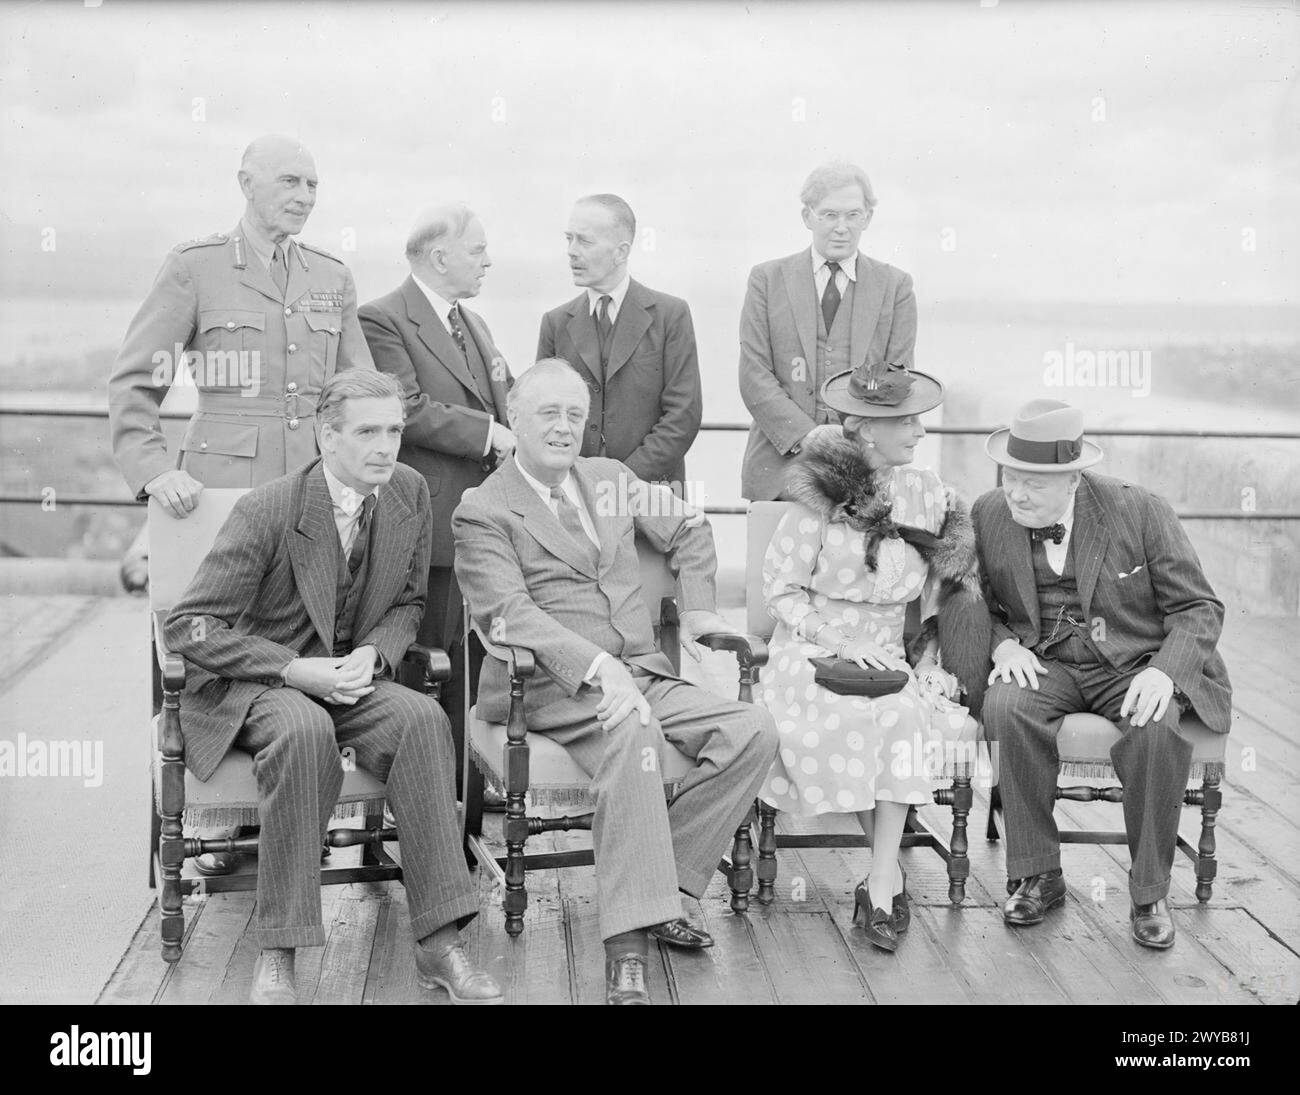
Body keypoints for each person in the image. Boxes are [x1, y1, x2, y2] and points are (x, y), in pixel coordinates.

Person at [165, 371, 501, 1005]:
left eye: (395, 430)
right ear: (326, 437)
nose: (386, 446)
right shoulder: (271, 508)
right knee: (302, 728)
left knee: (422, 720)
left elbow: (406, 600)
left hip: (347, 679)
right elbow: (189, 627)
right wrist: (294, 669)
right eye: (367, 431)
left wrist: (375, 652)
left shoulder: (408, 493)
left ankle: (439, 943)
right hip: (259, 683)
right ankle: (279, 952)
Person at [452, 358, 778, 1005]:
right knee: (636, 734)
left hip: (642, 668)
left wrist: (703, 608)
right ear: (514, 417)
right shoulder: (484, 508)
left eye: (576, 414)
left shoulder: (610, 479)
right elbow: (508, 613)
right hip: (549, 684)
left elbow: (688, 525)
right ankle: (626, 945)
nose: (564, 426)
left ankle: (667, 889)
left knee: (753, 730)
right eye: (549, 412)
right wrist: (599, 669)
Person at [110, 134, 375, 875]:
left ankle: (295, 812)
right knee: (218, 652)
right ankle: (221, 819)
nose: (303, 195)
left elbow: (360, 392)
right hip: (222, 503)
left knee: (310, 644)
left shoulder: (330, 276)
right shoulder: (194, 268)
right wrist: (153, 469)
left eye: (314, 185)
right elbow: (135, 380)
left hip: (314, 503)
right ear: (246, 183)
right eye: (290, 180)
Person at [974, 399, 1232, 950]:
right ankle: (1037, 874)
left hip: (1132, 664)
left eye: (1032, 485)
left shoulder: (1139, 510)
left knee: (1157, 723)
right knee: (1005, 705)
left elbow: (1199, 607)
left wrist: (1165, 673)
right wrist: (1001, 646)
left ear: (1071, 479)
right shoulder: (989, 513)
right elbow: (973, 603)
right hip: (1046, 660)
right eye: (1010, 477)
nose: (1015, 494)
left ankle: (1149, 892)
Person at [757, 360, 982, 953]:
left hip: (886, 654)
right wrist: (838, 641)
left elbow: (946, 586)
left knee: (900, 713)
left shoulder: (930, 496)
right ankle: (889, 879)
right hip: (812, 650)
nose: (920, 433)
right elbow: (780, 590)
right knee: (860, 715)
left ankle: (882, 879)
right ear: (863, 428)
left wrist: (929, 656)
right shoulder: (817, 495)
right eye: (906, 422)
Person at [359, 202, 513, 653]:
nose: (488, 262)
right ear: (441, 258)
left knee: (478, 660)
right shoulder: (381, 318)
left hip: (486, 522)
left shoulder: (474, 322)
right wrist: (490, 433)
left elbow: (506, 394)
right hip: (430, 524)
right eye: (478, 251)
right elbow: (402, 407)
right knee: (430, 657)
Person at [739, 161, 917, 502]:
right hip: (779, 474)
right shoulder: (766, 280)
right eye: (829, 215)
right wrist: (808, 436)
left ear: (868, 218)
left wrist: (853, 441)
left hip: (865, 474)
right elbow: (754, 375)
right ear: (807, 217)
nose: (841, 227)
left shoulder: (896, 287)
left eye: (853, 215)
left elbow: (899, 379)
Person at [537, 194, 702, 490]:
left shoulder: (670, 316)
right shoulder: (555, 323)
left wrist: (621, 483)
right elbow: (544, 412)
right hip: (576, 498)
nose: (571, 252)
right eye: (569, 239)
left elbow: (683, 415)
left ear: (620, 252)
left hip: (650, 498)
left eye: (584, 242)